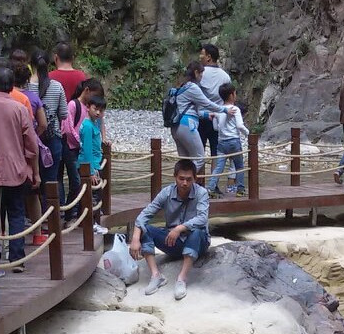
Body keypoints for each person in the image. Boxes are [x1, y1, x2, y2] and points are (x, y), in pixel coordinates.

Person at [0, 66, 40, 273]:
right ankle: (17, 259)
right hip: (16, 170)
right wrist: (35, 171)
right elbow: (31, 144)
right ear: (12, 86)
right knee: (16, 214)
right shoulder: (19, 108)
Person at [129, 158, 210, 300]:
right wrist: (135, 238)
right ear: (175, 177)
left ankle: (182, 279)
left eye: (189, 179)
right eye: (181, 179)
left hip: (197, 242)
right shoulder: (166, 193)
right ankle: (156, 276)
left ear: (195, 179)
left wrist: (179, 228)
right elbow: (145, 214)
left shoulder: (201, 193)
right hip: (174, 243)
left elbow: (202, 218)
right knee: (145, 229)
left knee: (197, 231)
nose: (185, 183)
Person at [169, 62, 231, 173]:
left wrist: (207, 115)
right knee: (199, 158)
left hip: (176, 126)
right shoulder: (192, 87)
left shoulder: (182, 86)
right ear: (196, 73)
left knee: (185, 160)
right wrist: (224, 109)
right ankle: (185, 181)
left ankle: (180, 185)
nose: (202, 77)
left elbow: (190, 109)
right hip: (188, 125)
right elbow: (206, 103)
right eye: (201, 74)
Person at [59, 78, 103, 219]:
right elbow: (68, 128)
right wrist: (81, 142)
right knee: (76, 182)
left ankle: (81, 213)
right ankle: (69, 215)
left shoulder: (90, 108)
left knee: (84, 182)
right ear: (87, 91)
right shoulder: (73, 104)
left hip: (82, 149)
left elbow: (100, 123)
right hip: (72, 148)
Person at [31, 49, 68, 191]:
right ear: (48, 64)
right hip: (53, 137)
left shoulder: (24, 87)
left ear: (31, 64)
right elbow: (64, 114)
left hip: (31, 138)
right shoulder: (56, 86)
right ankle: (52, 212)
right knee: (51, 181)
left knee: (32, 182)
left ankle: (34, 213)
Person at [207, 84, 249, 196]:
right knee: (239, 166)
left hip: (221, 142)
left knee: (218, 167)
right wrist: (247, 133)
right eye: (235, 93)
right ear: (231, 95)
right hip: (234, 141)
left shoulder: (218, 110)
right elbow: (240, 126)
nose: (235, 95)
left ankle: (211, 188)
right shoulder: (235, 109)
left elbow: (216, 128)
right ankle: (240, 190)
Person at [76, 95, 109, 233]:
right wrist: (90, 171)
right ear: (88, 107)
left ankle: (88, 222)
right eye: (95, 109)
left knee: (93, 194)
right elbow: (87, 149)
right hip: (89, 165)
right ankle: (91, 224)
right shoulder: (88, 126)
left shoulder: (94, 122)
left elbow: (101, 124)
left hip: (95, 163)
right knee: (92, 196)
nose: (98, 113)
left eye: (101, 110)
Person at [197, 44, 230, 157]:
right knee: (215, 153)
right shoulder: (225, 76)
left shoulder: (200, 74)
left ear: (208, 57)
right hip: (217, 118)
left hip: (200, 117)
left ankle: (199, 175)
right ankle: (214, 175)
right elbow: (228, 99)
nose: (199, 56)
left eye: (202, 54)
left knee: (199, 153)